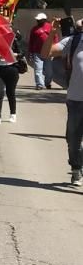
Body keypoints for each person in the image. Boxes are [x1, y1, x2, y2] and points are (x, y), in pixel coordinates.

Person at [43, 18, 83, 186]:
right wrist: (52, 32)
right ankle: (76, 167)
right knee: (73, 140)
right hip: (75, 100)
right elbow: (46, 53)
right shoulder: (73, 40)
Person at [0, 33, 21, 125]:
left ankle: (13, 114)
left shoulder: (14, 41)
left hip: (12, 69)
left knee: (10, 93)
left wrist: (13, 54)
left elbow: (22, 54)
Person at [28, 12, 53, 90]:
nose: (37, 21)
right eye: (37, 20)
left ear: (44, 20)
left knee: (49, 71)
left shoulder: (50, 27)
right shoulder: (34, 29)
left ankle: (48, 83)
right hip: (37, 52)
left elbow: (55, 38)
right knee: (38, 69)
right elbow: (31, 41)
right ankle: (39, 84)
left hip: (48, 52)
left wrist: (55, 50)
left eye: (39, 20)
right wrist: (30, 52)